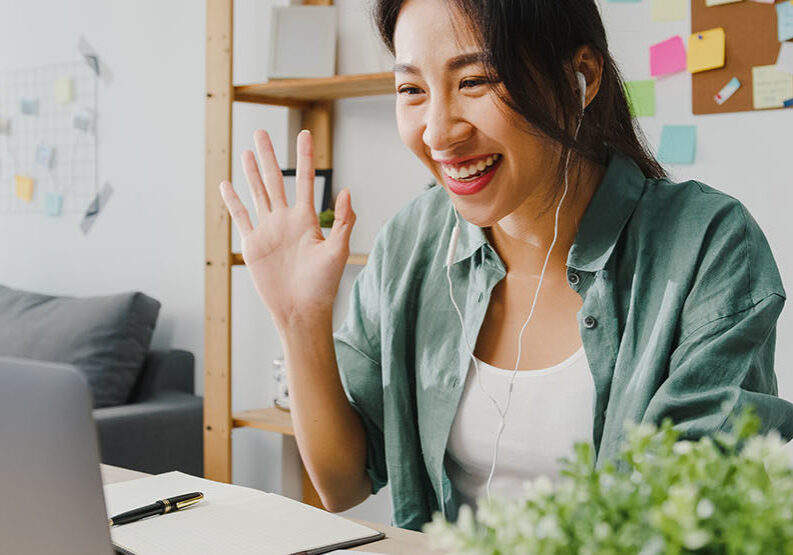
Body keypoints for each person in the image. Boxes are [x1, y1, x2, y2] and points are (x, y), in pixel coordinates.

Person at [219, 0, 793, 532]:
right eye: (411, 89)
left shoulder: (707, 245)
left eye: (475, 81)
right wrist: (299, 320)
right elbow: (343, 484)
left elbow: (694, 516)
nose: (439, 131)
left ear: (583, 77)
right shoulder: (412, 242)